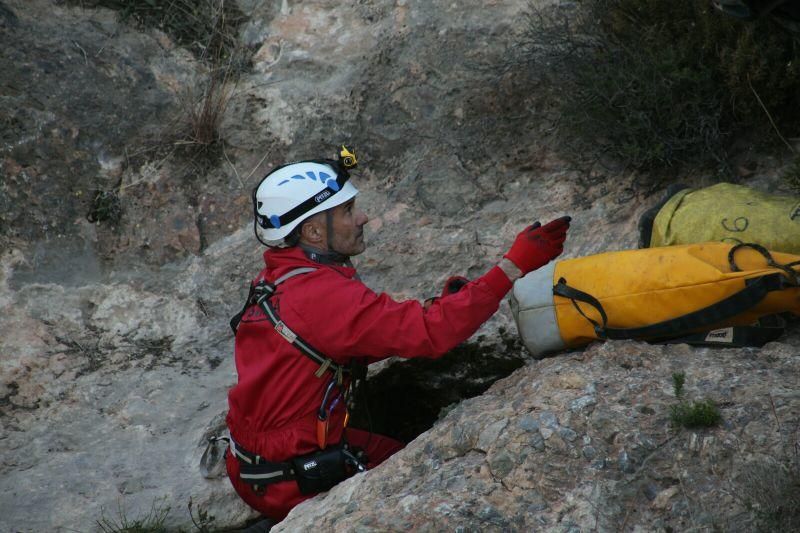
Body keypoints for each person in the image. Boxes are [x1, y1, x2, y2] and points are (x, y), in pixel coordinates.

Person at [225, 147, 571, 524]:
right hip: (291, 475)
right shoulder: (320, 295)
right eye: (345, 211)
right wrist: (511, 266)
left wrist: (445, 305)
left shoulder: (281, 277)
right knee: (430, 482)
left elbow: (348, 335)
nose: (362, 217)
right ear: (311, 231)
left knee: (399, 452)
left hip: (256, 463)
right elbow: (430, 333)